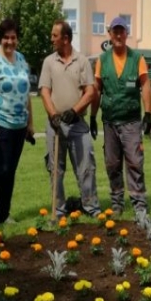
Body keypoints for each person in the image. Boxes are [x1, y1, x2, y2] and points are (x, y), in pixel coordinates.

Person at [39, 20, 101, 217]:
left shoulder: (82, 61)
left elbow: (90, 92)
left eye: (54, 36)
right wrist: (54, 115)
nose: (51, 39)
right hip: (55, 126)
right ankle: (58, 210)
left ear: (65, 39)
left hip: (77, 124)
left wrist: (74, 111)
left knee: (86, 167)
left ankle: (90, 207)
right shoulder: (49, 62)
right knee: (55, 169)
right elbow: (45, 92)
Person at [94, 16, 151, 217]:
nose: (118, 35)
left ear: (127, 34)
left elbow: (145, 85)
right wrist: (93, 117)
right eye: (115, 31)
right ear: (109, 34)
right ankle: (117, 202)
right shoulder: (102, 60)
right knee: (112, 163)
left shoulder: (137, 58)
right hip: (110, 122)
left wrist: (149, 113)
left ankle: (139, 203)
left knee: (135, 162)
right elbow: (97, 89)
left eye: (122, 31)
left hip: (131, 122)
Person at [0, 18, 34, 225]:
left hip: (19, 126)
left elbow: (26, 93)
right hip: (0, 124)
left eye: (13, 37)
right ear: (0, 38)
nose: (10, 42)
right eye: (6, 37)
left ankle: (3, 215)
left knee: (10, 171)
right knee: (0, 170)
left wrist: (30, 123)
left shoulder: (21, 59)